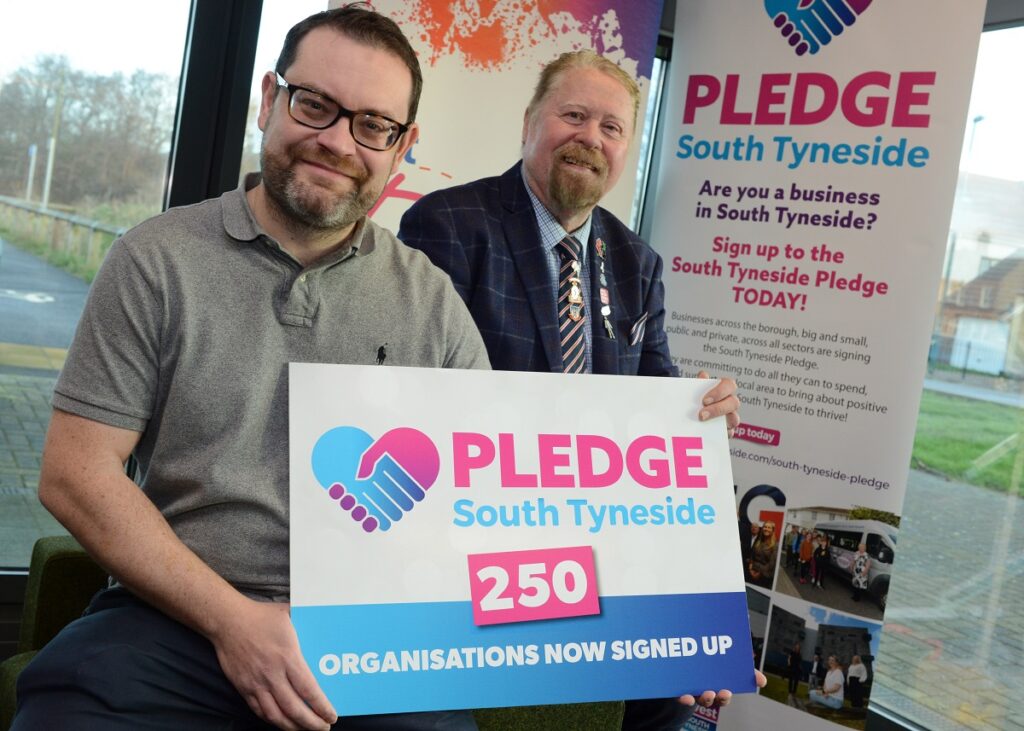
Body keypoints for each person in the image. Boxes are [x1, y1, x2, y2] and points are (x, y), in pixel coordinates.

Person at [13, 7, 490, 731]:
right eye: (315, 105)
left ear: (403, 147)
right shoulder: (155, 260)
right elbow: (75, 473)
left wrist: (648, 640)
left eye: (373, 125)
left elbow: (507, 498)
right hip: (173, 615)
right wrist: (235, 621)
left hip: (368, 638)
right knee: (65, 713)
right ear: (270, 100)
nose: (336, 142)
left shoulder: (433, 303)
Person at [399, 48, 761, 730]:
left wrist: (700, 412)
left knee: (683, 699)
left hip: (596, 542)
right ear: (531, 122)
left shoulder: (637, 262)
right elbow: (422, 403)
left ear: (625, 149)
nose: (591, 137)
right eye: (573, 115)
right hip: (474, 538)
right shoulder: (448, 225)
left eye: (612, 127)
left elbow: (654, 399)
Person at [748, 520, 777, 588]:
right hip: (752, 572)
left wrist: (759, 573)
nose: (766, 529)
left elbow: (771, 565)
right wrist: (750, 568)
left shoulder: (775, 545)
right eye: (765, 527)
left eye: (769, 527)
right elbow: (752, 556)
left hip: (764, 577)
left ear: (772, 530)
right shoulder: (759, 541)